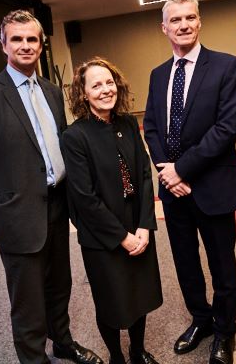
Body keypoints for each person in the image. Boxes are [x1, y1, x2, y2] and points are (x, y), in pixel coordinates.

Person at [0, 10, 103, 364]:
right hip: (18, 216)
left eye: (32, 39)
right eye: (17, 39)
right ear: (3, 45)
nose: (25, 46)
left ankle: (63, 343)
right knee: (28, 303)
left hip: (56, 205)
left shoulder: (53, 92)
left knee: (59, 287)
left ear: (41, 44)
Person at [143, 0, 236, 364]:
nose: (183, 25)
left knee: (222, 265)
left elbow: (226, 129)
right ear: (164, 27)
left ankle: (224, 331)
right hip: (174, 193)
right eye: (176, 20)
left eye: (190, 18)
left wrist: (180, 169)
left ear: (199, 22)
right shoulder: (158, 75)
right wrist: (166, 173)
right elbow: (152, 128)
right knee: (185, 263)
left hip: (212, 187)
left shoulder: (226, 67)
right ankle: (201, 320)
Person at [62, 58, 163, 364]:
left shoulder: (129, 123)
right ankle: (117, 356)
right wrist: (122, 237)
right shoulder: (74, 136)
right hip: (102, 235)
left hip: (137, 220)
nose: (106, 90)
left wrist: (145, 225)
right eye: (96, 85)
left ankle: (136, 350)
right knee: (110, 301)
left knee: (139, 294)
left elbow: (145, 175)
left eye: (109, 83)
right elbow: (84, 198)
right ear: (83, 94)